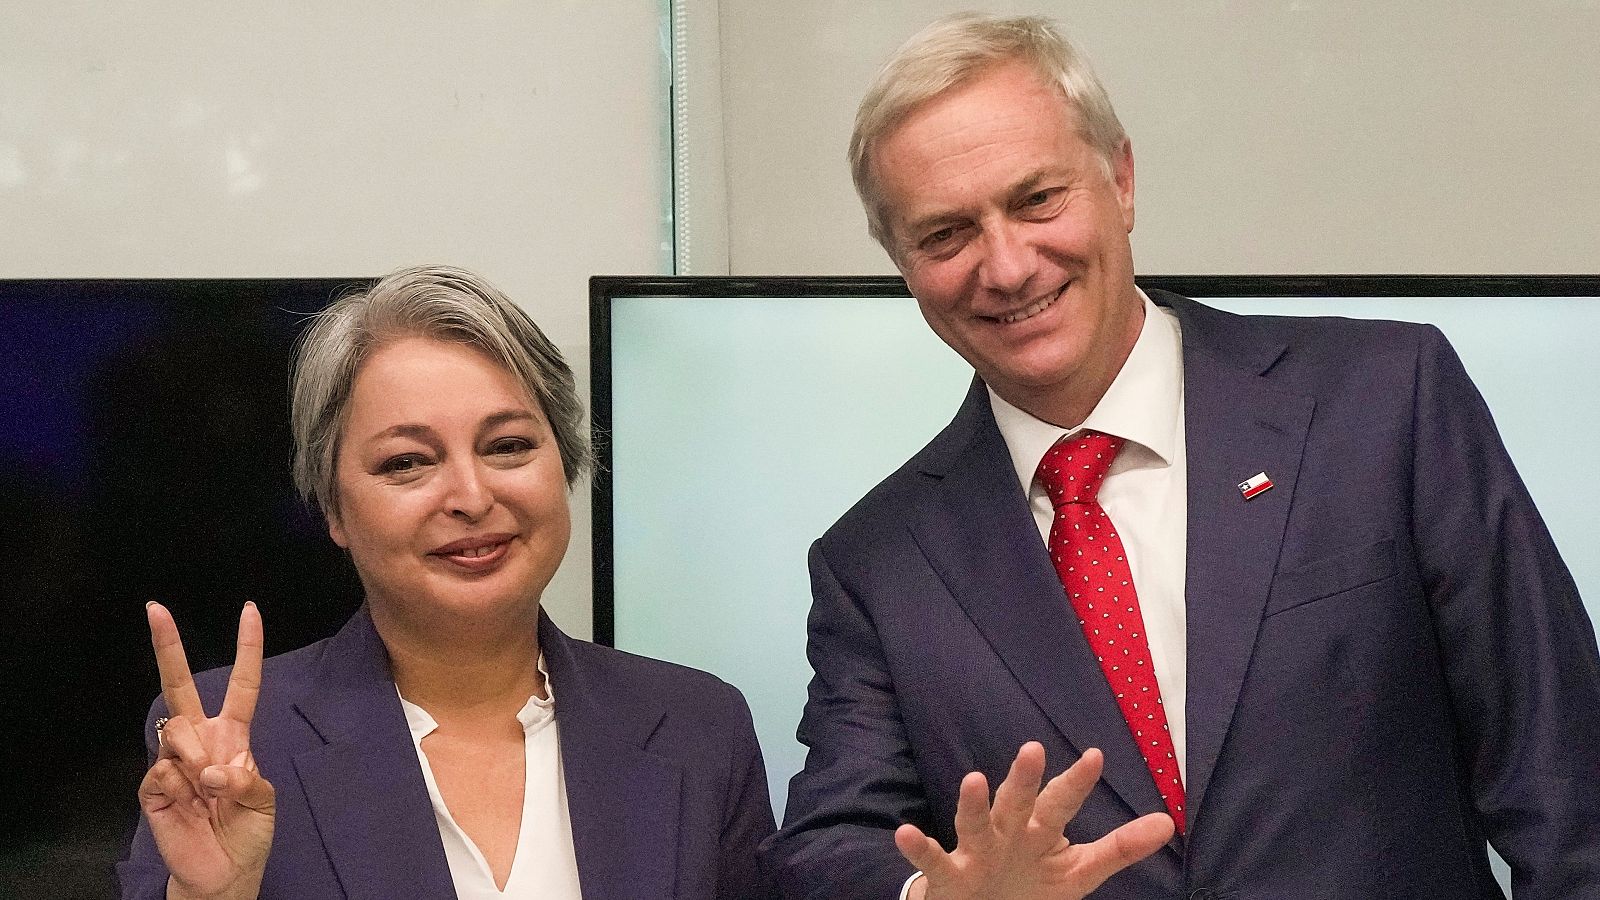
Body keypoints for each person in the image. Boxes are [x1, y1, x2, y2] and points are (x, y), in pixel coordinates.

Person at [763, 12, 1600, 900]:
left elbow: (1565, 784)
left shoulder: (1384, 402)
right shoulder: (879, 563)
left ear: (1120, 181)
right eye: (945, 235)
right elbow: (826, 849)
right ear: (901, 263)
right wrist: (941, 897)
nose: (1005, 267)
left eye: (1036, 199)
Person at [119, 265, 777, 900]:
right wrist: (217, 896)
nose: (470, 495)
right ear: (333, 510)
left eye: (508, 446)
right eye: (407, 462)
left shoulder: (699, 728)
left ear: (565, 464)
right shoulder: (231, 748)